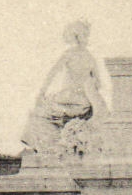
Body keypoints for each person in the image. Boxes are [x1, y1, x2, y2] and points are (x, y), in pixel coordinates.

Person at [22, 21, 108, 156]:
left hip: (67, 99)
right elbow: (99, 83)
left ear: (74, 37)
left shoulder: (69, 54)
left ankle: (46, 148)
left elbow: (52, 73)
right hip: (85, 103)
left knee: (37, 115)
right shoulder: (90, 57)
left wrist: (41, 93)